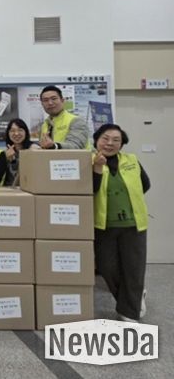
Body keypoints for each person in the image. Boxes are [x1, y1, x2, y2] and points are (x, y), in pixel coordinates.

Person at [93, 123, 151, 322]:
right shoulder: (89, 161)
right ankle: (133, 298)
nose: (110, 143)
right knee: (107, 267)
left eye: (116, 140)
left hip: (133, 224)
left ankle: (129, 311)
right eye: (105, 138)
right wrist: (97, 168)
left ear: (122, 144)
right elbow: (89, 190)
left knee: (133, 268)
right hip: (104, 225)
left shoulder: (131, 160)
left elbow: (145, 184)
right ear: (96, 140)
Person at [38, 85, 90, 149]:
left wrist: (54, 146)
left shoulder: (76, 121)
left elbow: (76, 146)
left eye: (54, 99)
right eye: (45, 100)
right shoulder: (44, 125)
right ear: (42, 104)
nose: (50, 103)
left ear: (62, 100)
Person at [3, 118, 38, 186]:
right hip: (10, 190)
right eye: (12, 131)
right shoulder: (6, 152)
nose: (16, 133)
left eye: (20, 130)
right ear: (8, 133)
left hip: (30, 188)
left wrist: (13, 161)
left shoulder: (34, 149)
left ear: (26, 132)